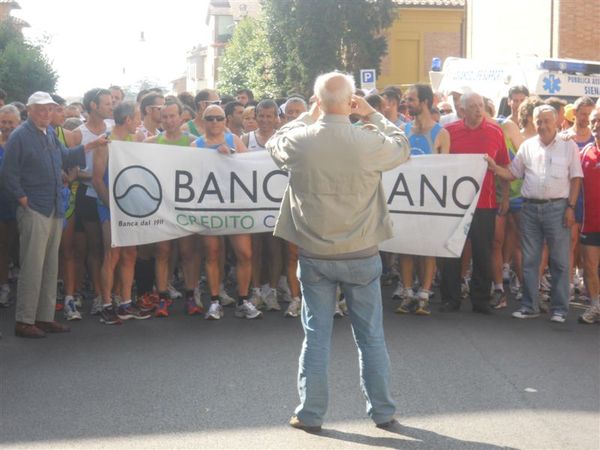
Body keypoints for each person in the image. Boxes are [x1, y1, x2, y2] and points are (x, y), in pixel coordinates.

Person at [267, 71, 410, 431]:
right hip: (361, 251)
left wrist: (307, 116)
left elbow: (275, 142)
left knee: (316, 336)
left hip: (315, 253)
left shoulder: (301, 140)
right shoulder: (366, 140)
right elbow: (401, 146)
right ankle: (382, 411)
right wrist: (372, 114)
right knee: (371, 336)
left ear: (317, 102)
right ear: (350, 102)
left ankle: (310, 413)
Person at [1, 92, 107, 338]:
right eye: (41, 109)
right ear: (29, 110)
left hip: (52, 206)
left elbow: (65, 156)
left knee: (49, 265)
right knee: (32, 266)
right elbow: (8, 173)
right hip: (35, 207)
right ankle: (25, 320)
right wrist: (23, 199)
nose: (46, 113)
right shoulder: (20, 136)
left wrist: (93, 144)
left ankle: (44, 316)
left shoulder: (48, 133)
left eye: (49, 109)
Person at [485, 105, 583, 323]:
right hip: (529, 209)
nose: (542, 125)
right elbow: (512, 173)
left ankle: (560, 309)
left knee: (559, 261)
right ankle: (530, 306)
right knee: (529, 260)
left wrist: (570, 207)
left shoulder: (569, 146)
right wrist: (493, 167)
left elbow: (576, 178)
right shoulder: (527, 146)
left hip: (558, 208)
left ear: (557, 121)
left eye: (547, 121)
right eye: (539, 121)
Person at [440, 92, 509, 315]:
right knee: (451, 253)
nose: (479, 110)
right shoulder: (449, 132)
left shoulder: (495, 132)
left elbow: (504, 168)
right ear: (462, 110)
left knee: (482, 252)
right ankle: (451, 298)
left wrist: (504, 197)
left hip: (484, 203)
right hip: (454, 204)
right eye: (473, 106)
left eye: (481, 105)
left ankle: (480, 300)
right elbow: (438, 166)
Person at [192, 105, 260, 321]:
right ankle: (214, 301)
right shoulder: (196, 145)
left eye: (218, 118)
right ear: (203, 122)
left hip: (235, 204)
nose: (214, 122)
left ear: (225, 120)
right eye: (209, 118)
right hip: (210, 205)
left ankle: (242, 300)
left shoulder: (234, 141)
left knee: (245, 253)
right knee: (212, 252)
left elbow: (252, 167)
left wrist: (231, 155)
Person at [92, 101, 150, 324]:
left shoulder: (135, 140)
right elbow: (97, 180)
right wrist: (112, 206)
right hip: (109, 206)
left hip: (130, 206)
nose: (139, 123)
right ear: (127, 120)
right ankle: (106, 304)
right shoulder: (105, 142)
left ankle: (125, 302)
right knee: (112, 254)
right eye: (137, 118)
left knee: (130, 254)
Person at [395, 84, 450, 316]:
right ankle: (408, 294)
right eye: (407, 99)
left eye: (411, 99)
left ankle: (424, 295)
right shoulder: (404, 130)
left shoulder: (441, 133)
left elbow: (446, 170)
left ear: (426, 102)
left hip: (429, 201)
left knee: (428, 248)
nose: (407, 103)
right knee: (405, 248)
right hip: (406, 199)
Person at [145, 99, 201, 317]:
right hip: (161, 205)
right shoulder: (151, 142)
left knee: (188, 252)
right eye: (165, 116)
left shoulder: (194, 142)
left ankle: (190, 295)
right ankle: (162, 297)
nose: (168, 120)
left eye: (172, 116)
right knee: (162, 251)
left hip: (186, 205)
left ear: (181, 117)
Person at [71, 88, 114, 315]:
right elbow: (73, 171)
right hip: (88, 195)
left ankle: (109, 292)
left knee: (110, 248)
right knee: (94, 246)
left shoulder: (113, 130)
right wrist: (96, 176)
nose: (111, 107)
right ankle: (98, 294)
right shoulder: (79, 134)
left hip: (111, 194)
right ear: (93, 106)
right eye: (106, 103)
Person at [578, 107, 600, 324]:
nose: (596, 125)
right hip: (591, 222)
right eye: (594, 120)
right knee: (589, 266)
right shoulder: (584, 152)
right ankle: (596, 306)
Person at [0, 104, 20, 308]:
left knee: (20, 245)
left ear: (18, 123)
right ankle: (4, 285)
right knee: (3, 245)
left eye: (10, 123)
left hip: (22, 201)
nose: (6, 126)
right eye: (3, 122)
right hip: (2, 202)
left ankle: (21, 280)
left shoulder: (23, 142)